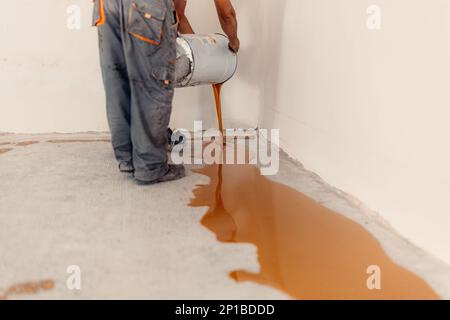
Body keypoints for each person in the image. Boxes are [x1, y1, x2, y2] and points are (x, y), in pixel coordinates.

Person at [93, 0, 239, 185]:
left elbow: (179, 15)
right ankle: (150, 166)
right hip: (145, 7)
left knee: (119, 82)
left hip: (106, 7)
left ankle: (128, 158)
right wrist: (233, 40)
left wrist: (199, 53)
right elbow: (227, 13)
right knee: (153, 84)